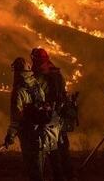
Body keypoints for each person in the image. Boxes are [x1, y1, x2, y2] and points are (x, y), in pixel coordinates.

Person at [3, 57, 60, 181]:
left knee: (34, 172)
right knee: (45, 168)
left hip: (30, 136)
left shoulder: (19, 91)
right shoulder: (36, 85)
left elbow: (16, 117)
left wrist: (10, 135)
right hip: (44, 134)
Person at [31, 48, 73, 181]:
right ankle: (70, 175)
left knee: (52, 150)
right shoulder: (56, 72)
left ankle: (59, 177)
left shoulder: (40, 74)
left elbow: (37, 95)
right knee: (63, 148)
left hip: (49, 117)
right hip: (60, 116)